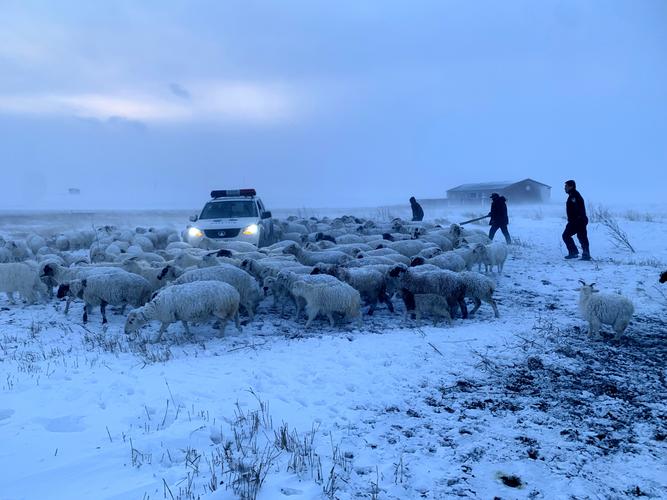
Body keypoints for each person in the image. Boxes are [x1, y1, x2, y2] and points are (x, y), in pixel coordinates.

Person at [562, 179, 591, 260]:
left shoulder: (574, 196)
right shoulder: (573, 195)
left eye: (566, 186)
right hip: (578, 220)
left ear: (571, 186)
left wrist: (575, 220)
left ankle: (577, 253)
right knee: (581, 236)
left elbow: (577, 209)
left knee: (567, 235)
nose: (565, 188)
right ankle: (583, 254)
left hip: (578, 221)